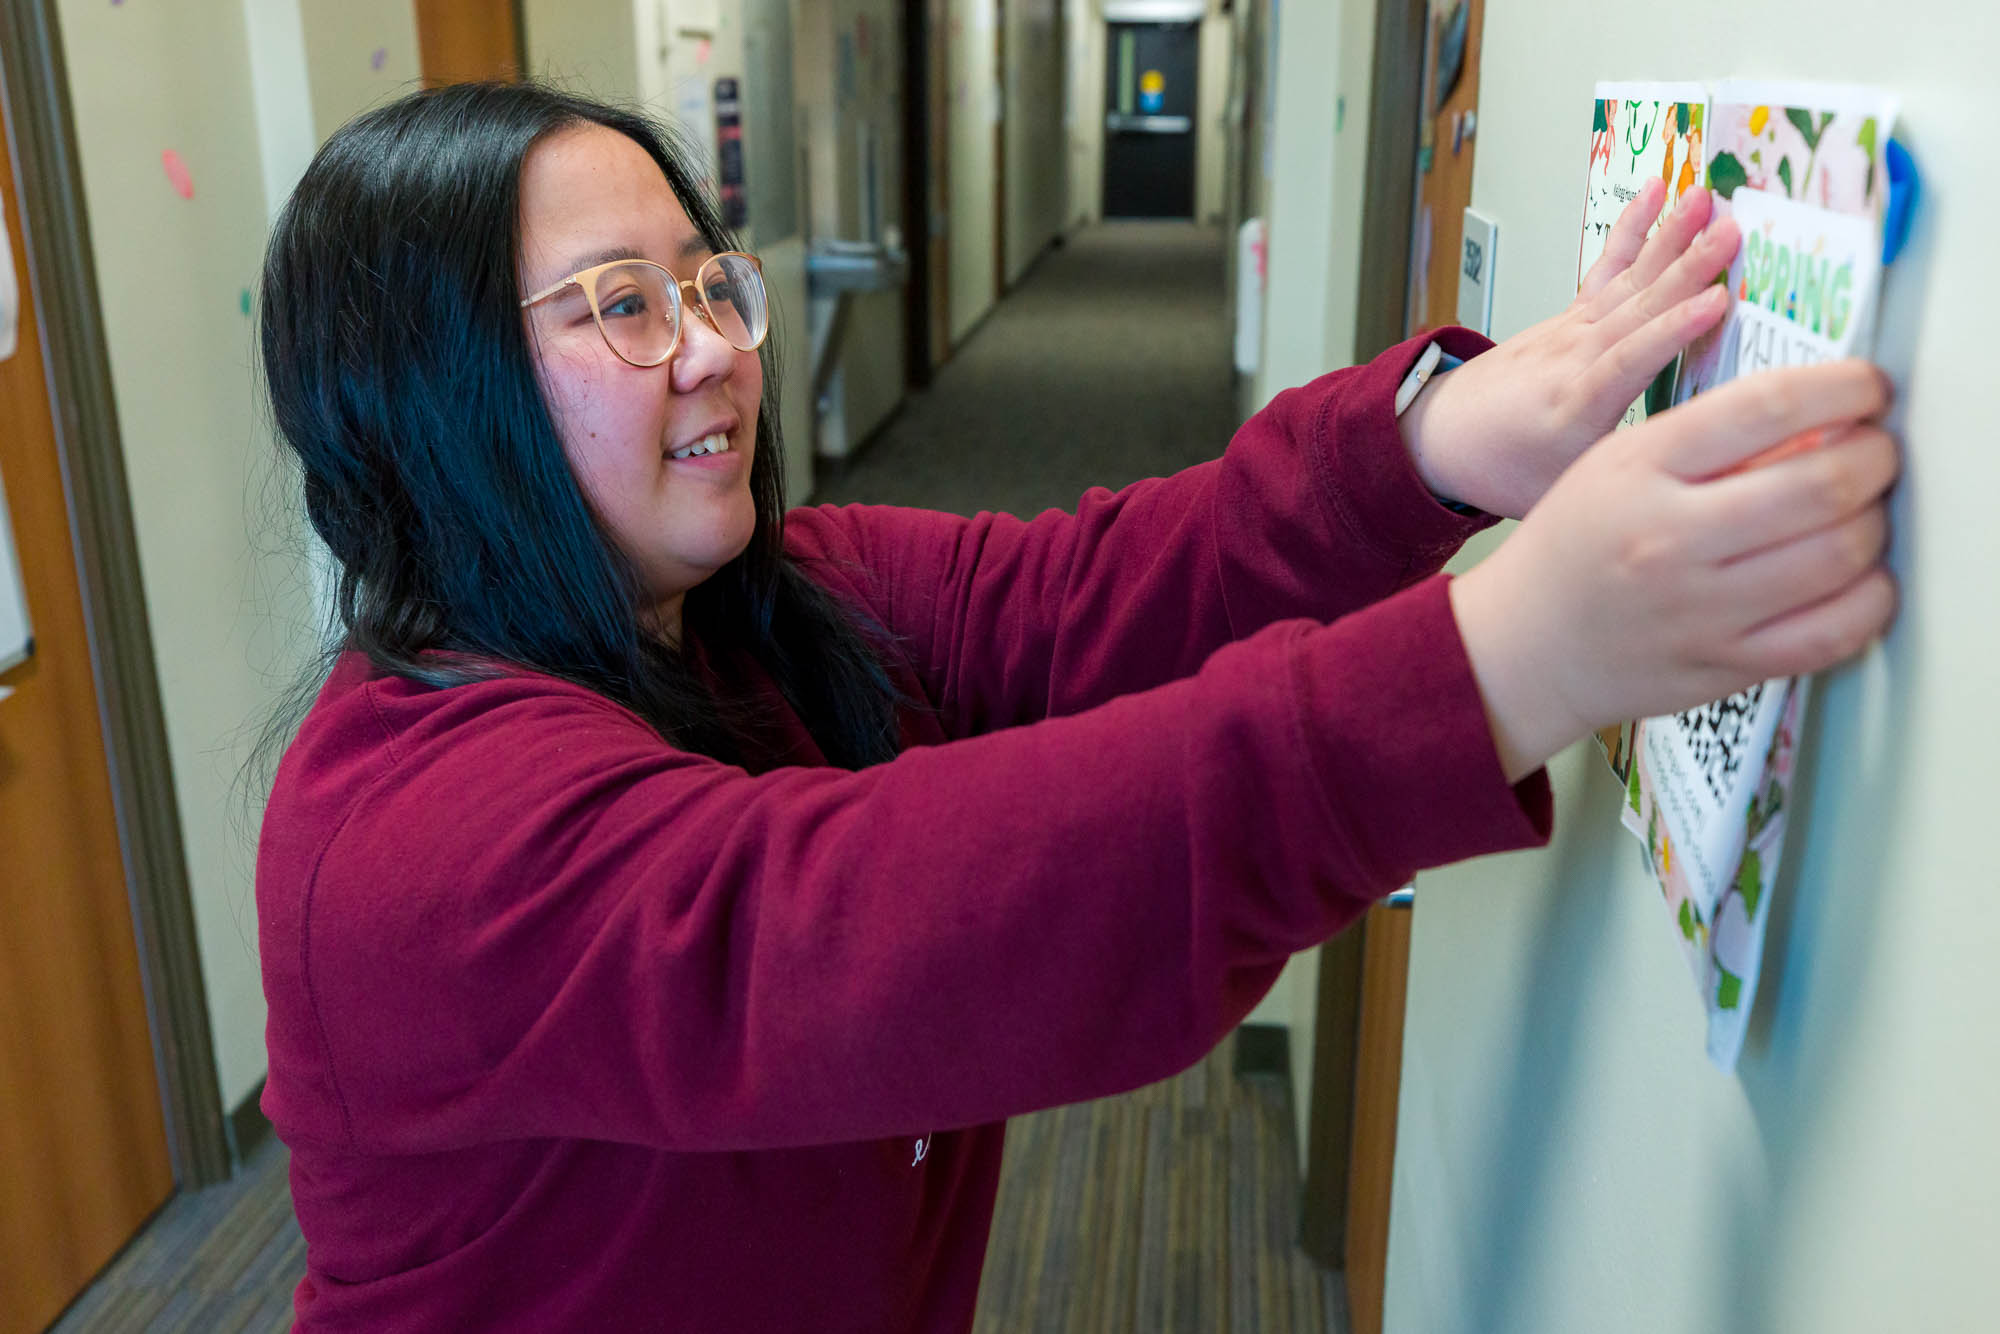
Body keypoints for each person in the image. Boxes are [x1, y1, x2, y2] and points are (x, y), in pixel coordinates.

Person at [254, 82, 1898, 1332]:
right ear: (432, 397)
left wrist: (1434, 444)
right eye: (622, 305)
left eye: (707, 285)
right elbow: (864, 930)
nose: (711, 354)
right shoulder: (411, 844)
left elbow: (1089, 588)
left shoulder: (759, 602)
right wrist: (1509, 661)